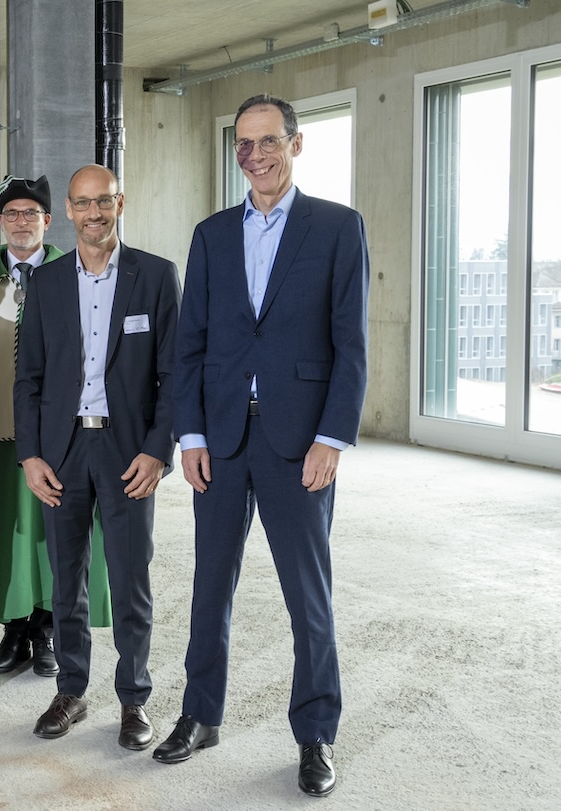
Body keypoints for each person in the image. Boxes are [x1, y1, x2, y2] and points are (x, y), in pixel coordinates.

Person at [154, 95, 369, 798]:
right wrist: (189, 434)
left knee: (308, 595)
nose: (257, 156)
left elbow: (351, 345)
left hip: (297, 441)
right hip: (220, 438)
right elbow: (190, 344)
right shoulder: (212, 234)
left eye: (269, 141)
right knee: (209, 585)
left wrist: (332, 437)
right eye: (244, 145)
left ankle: (315, 733)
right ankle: (200, 713)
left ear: (295, 144)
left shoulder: (338, 227)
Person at [14, 165, 181, 751]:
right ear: (67, 209)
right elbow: (28, 378)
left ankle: (134, 698)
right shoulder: (48, 283)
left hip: (126, 450)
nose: (94, 213)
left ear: (120, 203)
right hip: (62, 451)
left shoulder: (157, 276)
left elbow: (173, 375)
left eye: (103, 202)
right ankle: (72, 689)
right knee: (67, 581)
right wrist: (30, 455)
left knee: (131, 579)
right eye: (83, 204)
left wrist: (159, 451)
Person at [0, 174, 112, 678]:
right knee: (8, 535)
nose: (21, 222)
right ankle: (13, 628)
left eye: (31, 213)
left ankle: (47, 625)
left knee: (53, 535)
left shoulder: (75, 269)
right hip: (0, 430)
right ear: (0, 222)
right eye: (11, 214)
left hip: (61, 431)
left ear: (49, 219)